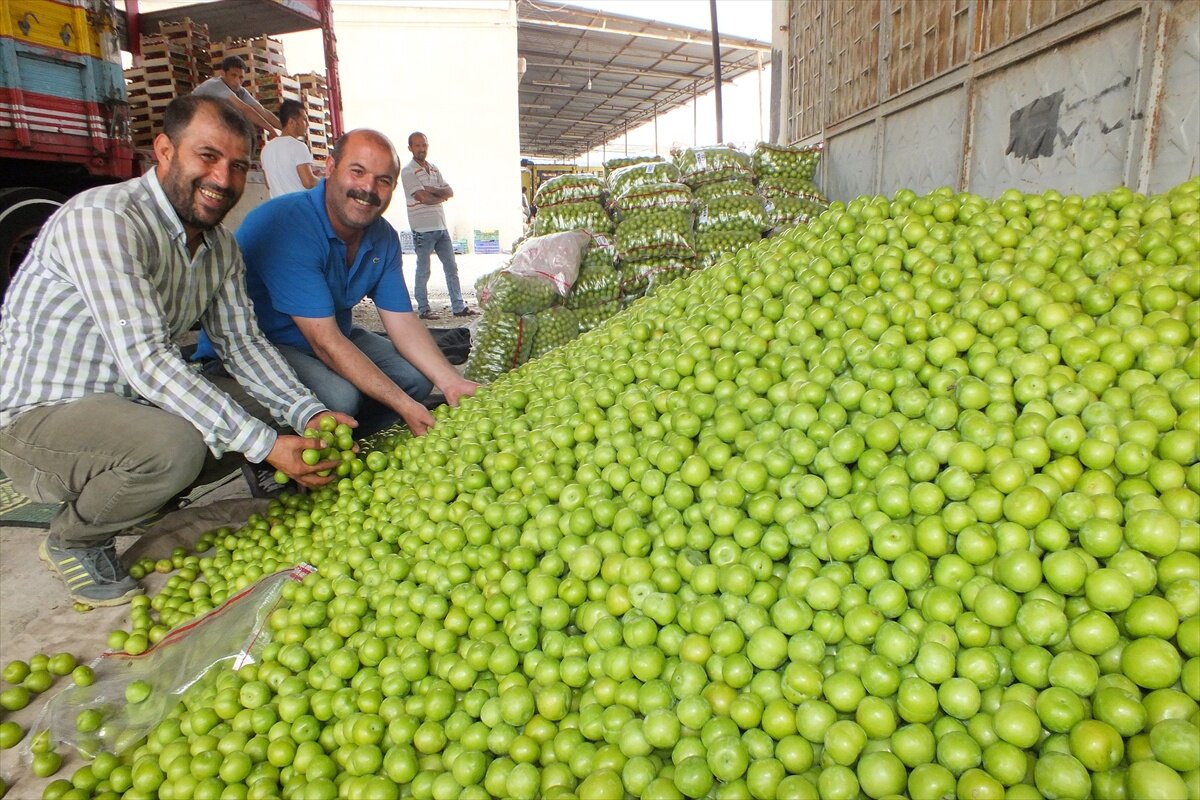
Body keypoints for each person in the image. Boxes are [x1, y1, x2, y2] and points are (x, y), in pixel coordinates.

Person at [0, 95, 353, 607]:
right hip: (40, 420)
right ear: (164, 151)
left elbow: (243, 345)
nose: (223, 179)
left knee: (257, 409)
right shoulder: (105, 220)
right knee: (177, 447)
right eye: (206, 156)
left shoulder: (220, 248)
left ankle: (143, 489)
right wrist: (267, 447)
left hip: (128, 406)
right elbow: (146, 360)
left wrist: (308, 415)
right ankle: (74, 538)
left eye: (236, 166)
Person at [235, 128, 479, 437]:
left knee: (415, 378)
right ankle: (298, 453)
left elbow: (402, 320)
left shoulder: (382, 237)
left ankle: (360, 447)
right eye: (358, 172)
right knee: (340, 398)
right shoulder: (289, 224)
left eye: (383, 180)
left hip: (333, 332)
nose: (368, 188)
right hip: (264, 342)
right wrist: (403, 405)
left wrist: (451, 382)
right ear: (330, 167)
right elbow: (325, 343)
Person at [400, 132, 475, 319]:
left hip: (441, 227)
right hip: (422, 229)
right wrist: (440, 196)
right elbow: (421, 197)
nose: (421, 148)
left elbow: (450, 191)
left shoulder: (433, 169)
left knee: (451, 267)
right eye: (417, 145)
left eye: (424, 145)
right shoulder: (408, 171)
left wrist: (434, 191)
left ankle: (458, 307)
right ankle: (424, 309)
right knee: (424, 270)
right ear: (410, 148)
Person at [192, 55, 280, 135]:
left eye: (241, 77)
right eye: (233, 75)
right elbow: (244, 109)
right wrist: (271, 129)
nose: (237, 81)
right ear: (223, 74)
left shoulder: (240, 91)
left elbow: (261, 110)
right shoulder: (214, 85)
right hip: (190, 124)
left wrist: (285, 130)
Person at [261, 99, 318, 197]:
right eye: (304, 119)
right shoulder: (298, 146)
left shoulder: (266, 149)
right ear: (291, 121)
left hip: (278, 208)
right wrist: (324, 180)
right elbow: (309, 182)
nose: (308, 125)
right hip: (298, 207)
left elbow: (268, 183)